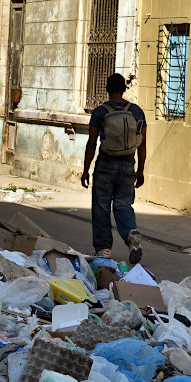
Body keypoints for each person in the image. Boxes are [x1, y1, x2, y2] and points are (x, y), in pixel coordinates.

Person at [81, 73, 146, 263]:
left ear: (107, 89)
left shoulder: (100, 112)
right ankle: (131, 235)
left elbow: (91, 142)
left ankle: (103, 249)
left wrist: (86, 170)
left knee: (101, 206)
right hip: (128, 165)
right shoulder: (137, 112)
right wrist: (140, 170)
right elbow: (142, 144)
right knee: (123, 204)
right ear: (124, 89)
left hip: (105, 166)